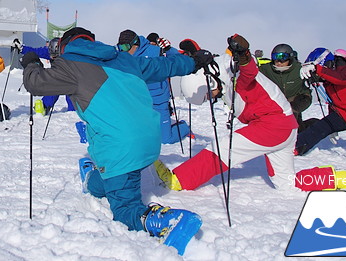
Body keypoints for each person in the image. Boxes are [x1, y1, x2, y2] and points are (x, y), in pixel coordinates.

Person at [21, 26, 213, 255]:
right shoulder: (124, 58)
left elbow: (35, 83)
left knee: (124, 210)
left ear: (65, 45)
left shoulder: (69, 65)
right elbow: (164, 66)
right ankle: (92, 178)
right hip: (150, 142)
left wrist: (31, 62)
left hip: (121, 150)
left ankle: (165, 220)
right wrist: (193, 62)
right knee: (107, 178)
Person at [155, 34, 299, 191]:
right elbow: (210, 64)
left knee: (223, 149)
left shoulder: (236, 78)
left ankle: (180, 180)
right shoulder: (221, 72)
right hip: (285, 126)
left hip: (273, 124)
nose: (211, 98)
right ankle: (328, 177)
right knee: (287, 184)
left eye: (208, 95)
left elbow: (249, 70)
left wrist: (243, 54)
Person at [295, 47, 346, 156]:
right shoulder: (328, 80)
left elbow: (342, 78)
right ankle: (294, 148)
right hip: (342, 115)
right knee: (319, 128)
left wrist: (318, 69)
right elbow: (333, 101)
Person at [117, 29, 189, 144]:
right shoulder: (123, 56)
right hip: (138, 103)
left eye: (125, 47)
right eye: (120, 47)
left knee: (165, 139)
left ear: (135, 44)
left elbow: (179, 61)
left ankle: (184, 127)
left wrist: (168, 50)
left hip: (158, 101)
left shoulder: (156, 51)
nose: (122, 50)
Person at [259, 43, 313, 132]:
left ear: (290, 58)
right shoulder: (266, 69)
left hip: (299, 99)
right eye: (276, 59)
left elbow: (321, 76)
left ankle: (294, 137)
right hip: (278, 101)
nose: (279, 63)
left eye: (283, 59)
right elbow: (251, 71)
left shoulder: (299, 69)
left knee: (290, 112)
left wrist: (315, 70)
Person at [21, 37, 74, 114]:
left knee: (71, 91)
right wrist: (22, 48)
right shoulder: (48, 51)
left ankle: (74, 111)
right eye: (52, 56)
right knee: (53, 87)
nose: (52, 58)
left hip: (71, 77)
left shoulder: (69, 55)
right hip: (57, 76)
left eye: (55, 56)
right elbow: (35, 51)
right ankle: (44, 106)